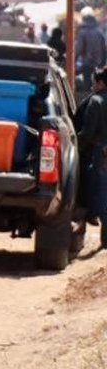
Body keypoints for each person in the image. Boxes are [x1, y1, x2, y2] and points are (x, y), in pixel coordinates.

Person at [75, 67, 107, 236]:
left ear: (101, 83)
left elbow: (87, 133)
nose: (92, 86)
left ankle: (87, 217)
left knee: (93, 189)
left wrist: (74, 142)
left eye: (95, 83)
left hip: (98, 153)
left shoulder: (95, 101)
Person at [76, 13, 107, 84]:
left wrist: (73, 60)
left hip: (87, 62)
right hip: (98, 63)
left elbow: (78, 49)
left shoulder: (82, 32)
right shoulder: (99, 32)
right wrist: (103, 62)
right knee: (97, 82)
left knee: (87, 82)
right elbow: (104, 49)